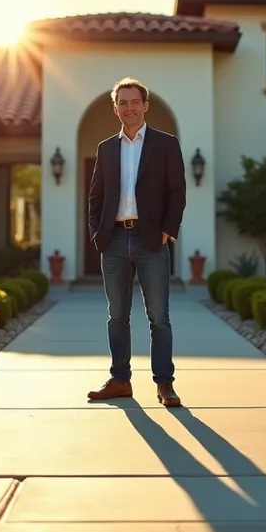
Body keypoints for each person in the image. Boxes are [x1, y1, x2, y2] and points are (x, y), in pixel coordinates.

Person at [85, 77, 187, 407]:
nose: (129, 108)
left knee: (159, 316)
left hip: (151, 240)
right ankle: (120, 380)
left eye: (134, 102)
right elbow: (96, 196)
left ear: (145, 106)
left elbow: (177, 192)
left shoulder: (166, 143)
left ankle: (165, 383)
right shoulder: (106, 148)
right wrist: (97, 233)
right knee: (117, 315)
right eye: (122, 103)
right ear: (116, 109)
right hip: (113, 240)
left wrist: (167, 230)